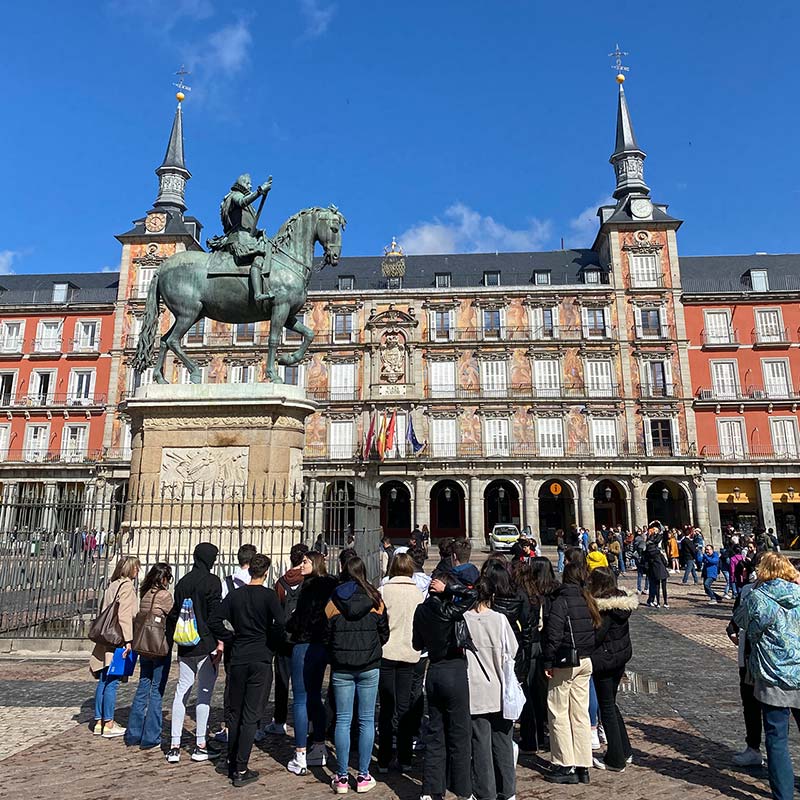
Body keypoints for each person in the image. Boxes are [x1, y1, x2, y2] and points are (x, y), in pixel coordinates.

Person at [208, 553, 285, 787]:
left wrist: (229, 638)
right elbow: (281, 624)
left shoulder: (235, 596)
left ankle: (233, 763)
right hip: (260, 657)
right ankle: (240, 767)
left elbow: (214, 621)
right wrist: (271, 642)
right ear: (266, 572)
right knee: (251, 715)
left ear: (250, 569)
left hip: (240, 656)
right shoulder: (269, 596)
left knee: (235, 712)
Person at [734, 553, 800, 800]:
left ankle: (784, 796)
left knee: (777, 738)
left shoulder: (758, 597)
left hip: (774, 674)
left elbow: (740, 620)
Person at [327, 556, 389, 794]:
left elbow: (327, 630)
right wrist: (374, 646)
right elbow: (384, 630)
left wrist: (335, 650)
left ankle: (341, 777)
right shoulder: (375, 598)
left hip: (342, 666)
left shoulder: (334, 598)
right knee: (366, 720)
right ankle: (363, 774)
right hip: (369, 665)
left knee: (343, 719)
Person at [413, 571, 477, 800]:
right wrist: (450, 590)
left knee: (436, 733)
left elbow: (416, 644)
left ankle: (431, 789)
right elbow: (473, 595)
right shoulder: (449, 610)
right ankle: (463, 790)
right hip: (454, 670)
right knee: (459, 734)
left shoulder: (420, 611)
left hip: (434, 671)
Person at [542, 561, 601, 785]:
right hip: (586, 662)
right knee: (580, 714)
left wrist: (548, 661)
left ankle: (564, 764)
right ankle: (583, 764)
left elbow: (554, 635)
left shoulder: (561, 601)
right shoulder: (588, 599)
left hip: (566, 663)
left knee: (558, 712)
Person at [464, 567, 518, 800]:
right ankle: (508, 790)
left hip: (475, 689)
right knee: (503, 742)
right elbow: (513, 650)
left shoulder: (464, 619)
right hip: (500, 689)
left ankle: (485, 792)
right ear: (492, 596)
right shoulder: (500, 619)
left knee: (481, 743)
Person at [166, 542, 223, 764]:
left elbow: (174, 615)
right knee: (204, 694)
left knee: (182, 691)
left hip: (185, 644)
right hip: (206, 644)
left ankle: (174, 745)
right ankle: (200, 744)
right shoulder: (212, 581)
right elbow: (214, 616)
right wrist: (220, 642)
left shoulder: (182, 583)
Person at [284, 550, 337, 775]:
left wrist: (290, 623)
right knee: (315, 695)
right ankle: (318, 746)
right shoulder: (331, 584)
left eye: (305, 561)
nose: (301, 564)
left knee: (300, 698)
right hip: (323, 645)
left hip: (305, 643)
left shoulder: (309, 587)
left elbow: (302, 618)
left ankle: (300, 754)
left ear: (314, 563)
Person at [377, 553, 424, 772]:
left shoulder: (384, 591)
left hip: (387, 652)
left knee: (386, 707)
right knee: (404, 707)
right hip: (409, 653)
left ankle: (384, 759)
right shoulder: (418, 593)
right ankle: (405, 758)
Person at [587, 567, 637, 771]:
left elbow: (597, 636)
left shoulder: (605, 609)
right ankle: (625, 750)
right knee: (611, 705)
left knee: (606, 707)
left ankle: (615, 759)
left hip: (605, 660)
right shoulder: (621, 604)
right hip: (619, 657)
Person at [89, 555, 140, 738]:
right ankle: (109, 723)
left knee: (103, 680)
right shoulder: (127, 587)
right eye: (136, 567)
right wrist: (128, 641)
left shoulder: (112, 585)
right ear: (129, 569)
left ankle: (98, 721)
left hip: (106, 638)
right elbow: (125, 616)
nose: (138, 570)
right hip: (117, 640)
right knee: (112, 682)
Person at [125, 562, 173, 750]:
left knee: (143, 686)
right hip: (159, 647)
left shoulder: (144, 594)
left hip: (143, 646)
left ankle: (133, 733)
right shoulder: (164, 596)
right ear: (163, 579)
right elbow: (174, 615)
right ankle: (151, 736)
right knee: (156, 691)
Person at [213, 543, 256, 745]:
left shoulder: (227, 582)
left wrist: (222, 640)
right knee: (252, 684)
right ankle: (250, 726)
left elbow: (219, 614)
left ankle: (229, 725)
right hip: (254, 639)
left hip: (232, 638)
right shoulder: (259, 582)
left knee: (232, 683)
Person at [264, 542, 308, 737]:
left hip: (284, 637)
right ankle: (309, 720)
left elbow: (276, 610)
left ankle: (279, 720)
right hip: (303, 637)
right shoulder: (308, 582)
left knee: (282, 681)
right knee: (306, 682)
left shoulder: (280, 583)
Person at [210, 173, 274, 307]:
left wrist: (257, 232)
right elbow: (242, 202)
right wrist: (260, 190)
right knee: (258, 258)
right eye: (249, 183)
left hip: (247, 237)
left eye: (251, 184)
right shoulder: (235, 196)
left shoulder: (244, 201)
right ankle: (257, 294)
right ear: (243, 183)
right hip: (239, 239)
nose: (250, 185)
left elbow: (248, 224)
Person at [727, 551, 766, 768]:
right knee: (750, 705)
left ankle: (776, 752)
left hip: (774, 662)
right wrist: (732, 631)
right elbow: (735, 620)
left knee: (777, 712)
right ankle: (753, 748)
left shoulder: (793, 591)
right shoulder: (747, 591)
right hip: (750, 659)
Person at [515, 557, 557, 754]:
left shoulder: (531, 593)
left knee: (530, 691)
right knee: (544, 693)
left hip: (534, 646)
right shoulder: (555, 591)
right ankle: (546, 733)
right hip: (550, 648)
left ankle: (532, 736)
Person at [644, 532, 669, 609]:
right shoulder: (658, 552)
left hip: (654, 571)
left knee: (657, 587)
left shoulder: (647, 552)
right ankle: (665, 602)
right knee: (664, 588)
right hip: (662, 570)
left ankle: (658, 603)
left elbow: (647, 562)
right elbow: (665, 562)